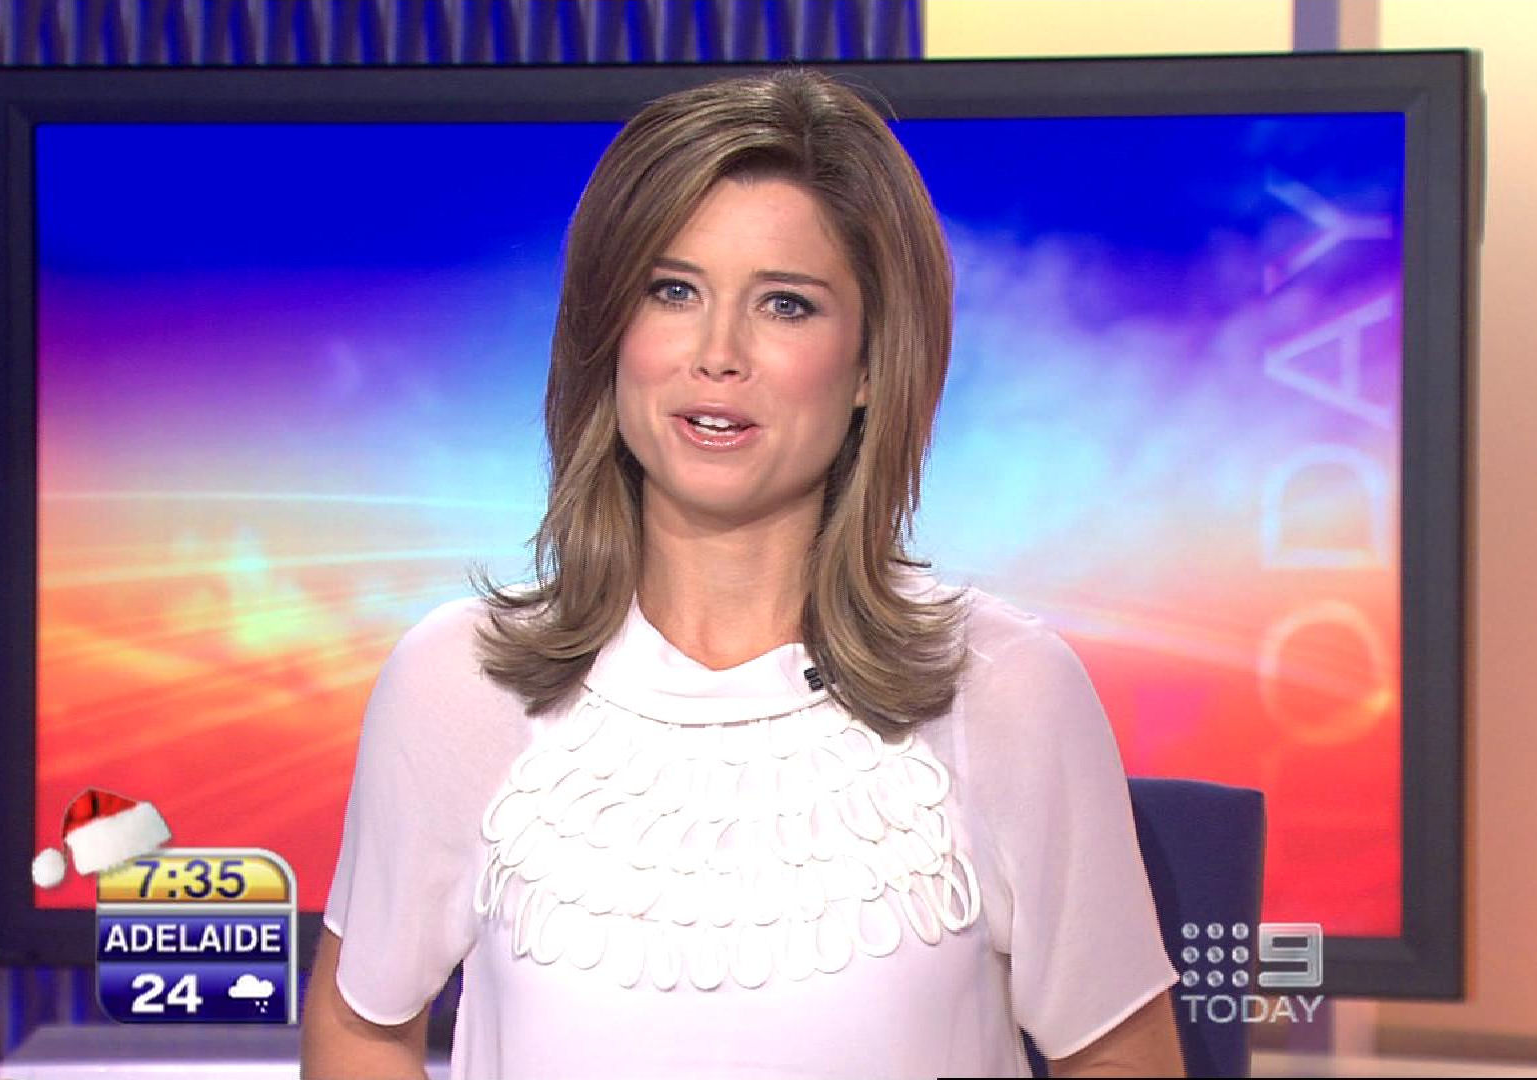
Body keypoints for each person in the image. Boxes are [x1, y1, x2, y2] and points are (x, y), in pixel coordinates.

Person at [301, 69, 1183, 1079]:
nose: (717, 353)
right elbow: (361, 1025)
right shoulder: (459, 680)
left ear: (869, 364)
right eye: (672, 291)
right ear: (609, 332)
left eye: (786, 305)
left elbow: (1120, 1059)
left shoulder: (1003, 688)